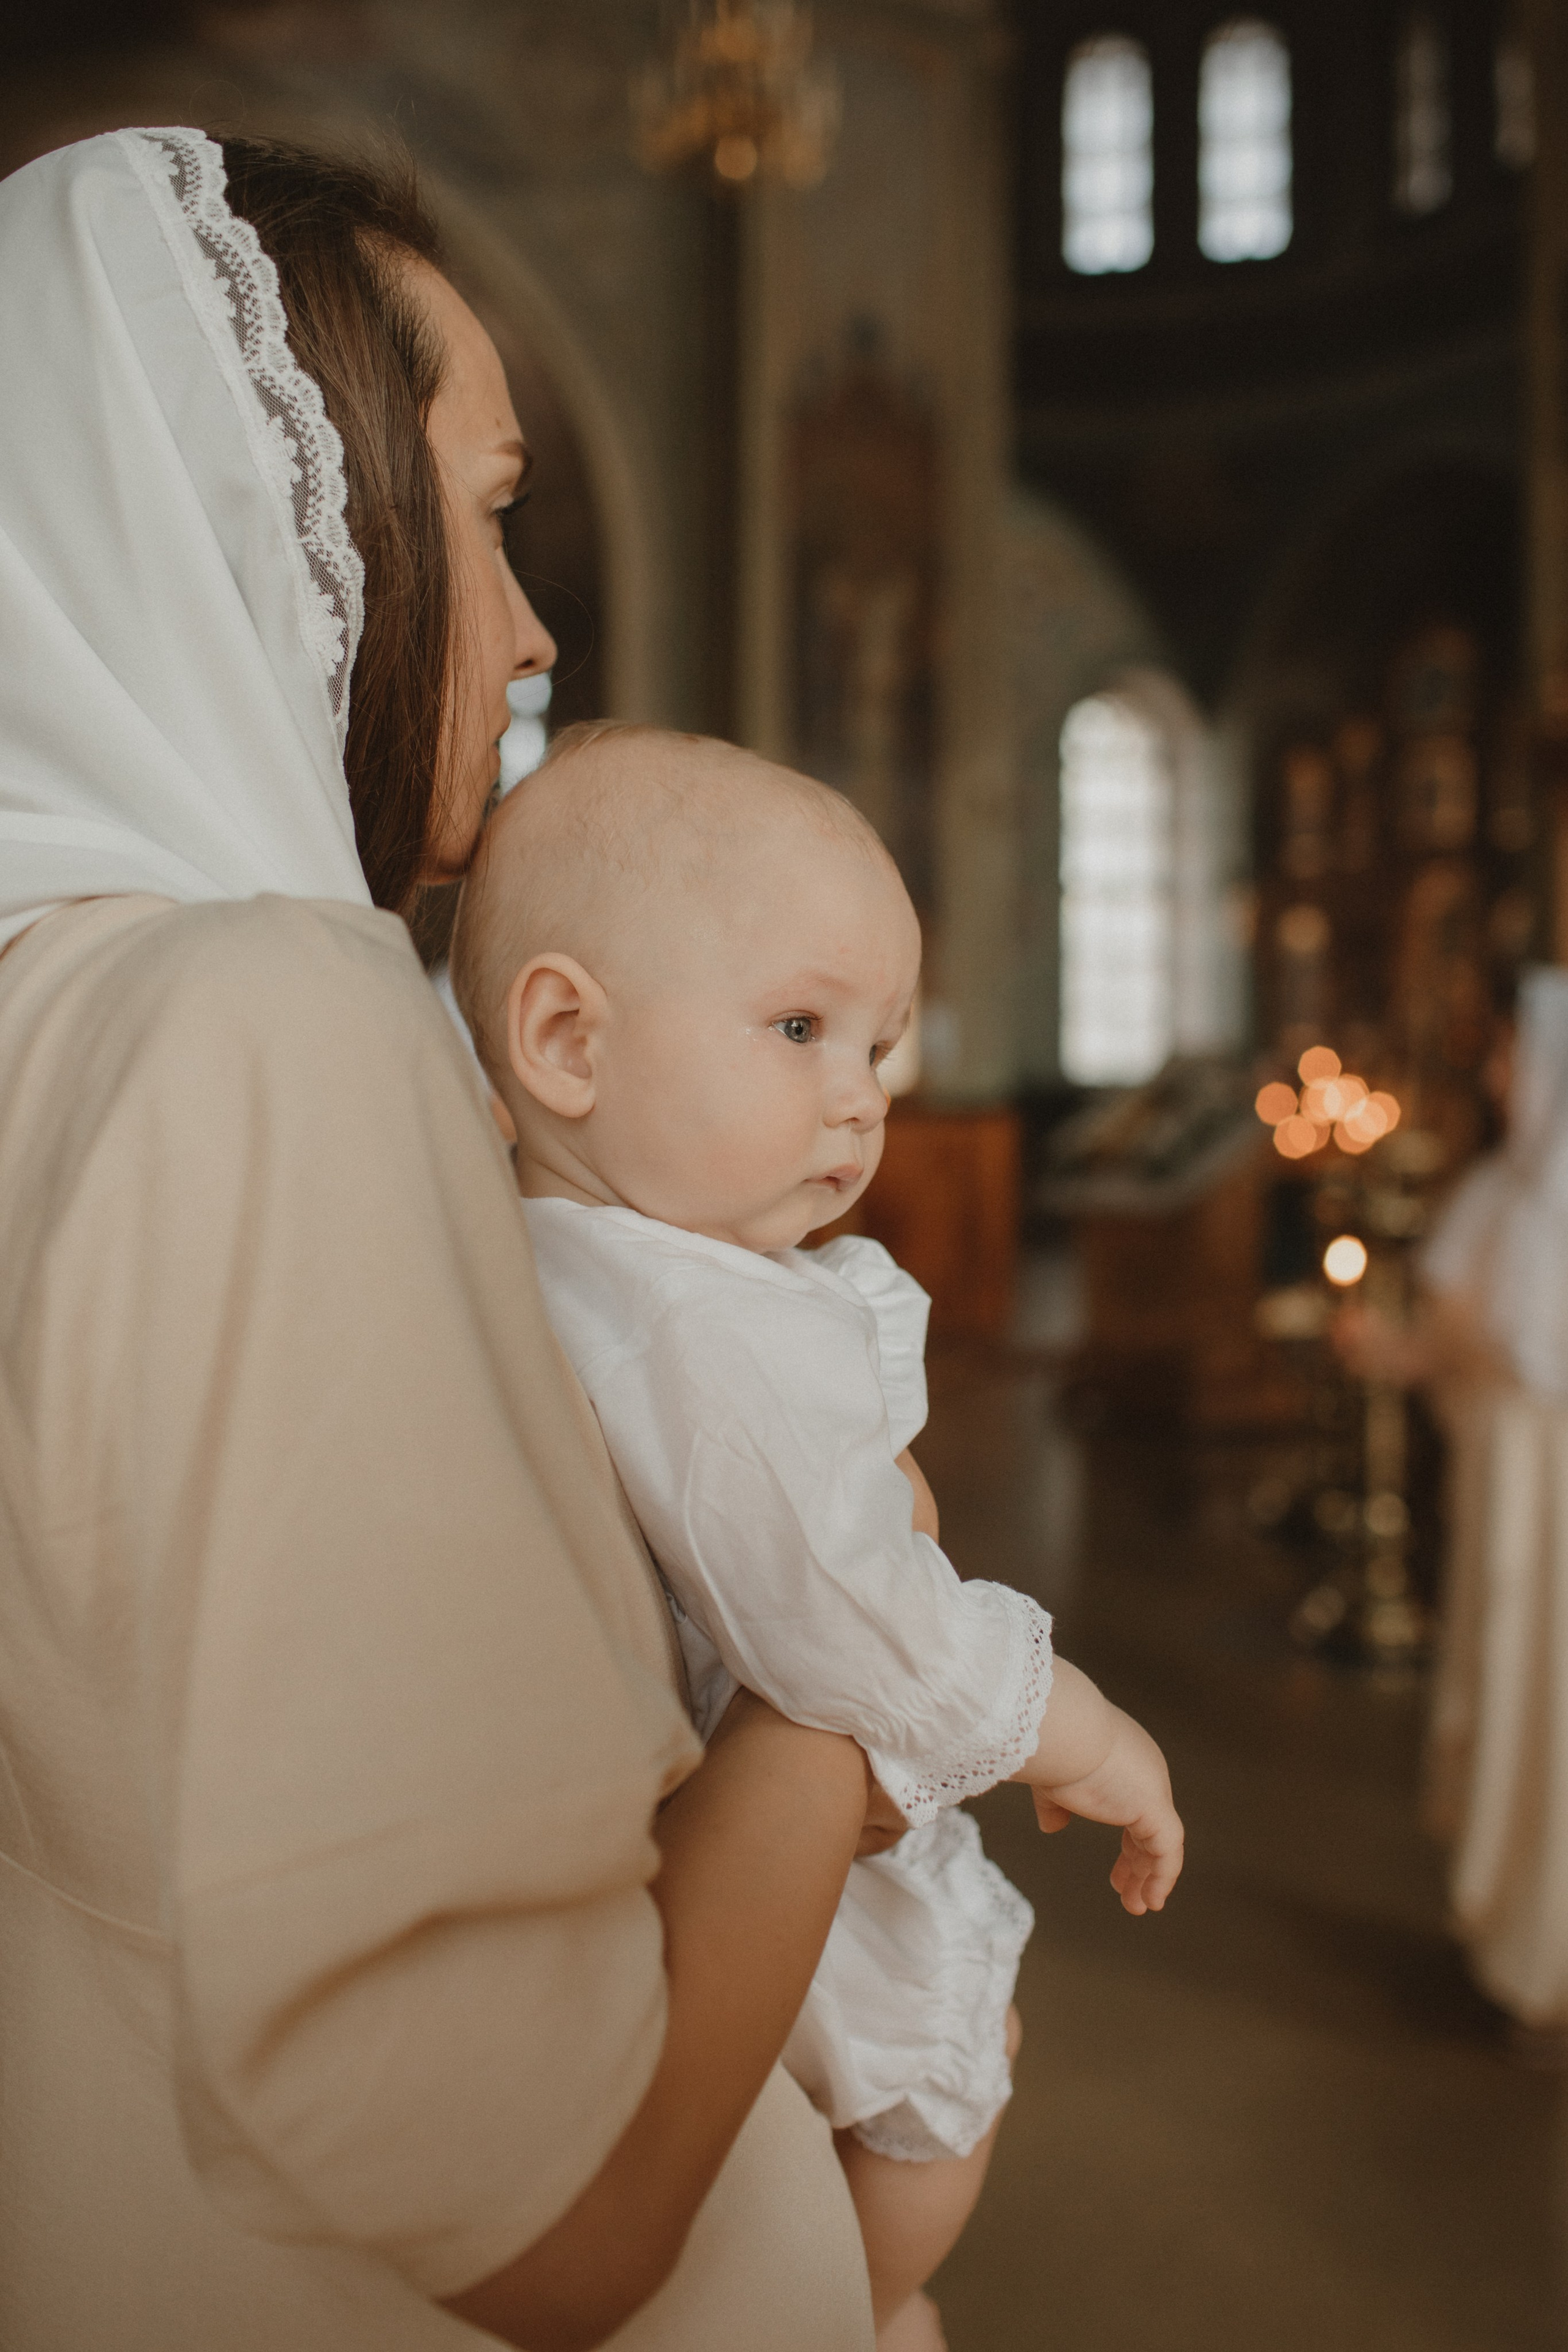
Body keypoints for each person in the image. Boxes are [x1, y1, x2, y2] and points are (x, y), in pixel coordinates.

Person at [0, 126, 899, 2351]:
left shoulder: (46, 1001)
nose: (532, 626)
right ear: (268, 529)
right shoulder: (259, 1017)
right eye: (488, 513)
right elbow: (552, 2197)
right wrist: (851, 1672)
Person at [448, 720, 1188, 2350]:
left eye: (880, 1044)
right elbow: (859, 1622)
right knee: (937, 2121)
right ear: (566, 1038)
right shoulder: (709, 1335)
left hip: (704, 1835)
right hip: (778, 1872)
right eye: (800, 1028)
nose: (860, 1102)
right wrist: (1084, 1729)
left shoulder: (585, 1251)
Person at [1336, 972, 1568, 2041]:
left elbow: (1525, 1350)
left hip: (1551, 1510)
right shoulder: (1508, 1192)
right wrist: (1397, 1353)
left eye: (1515, 1054)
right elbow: (1477, 1357)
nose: (1496, 1074)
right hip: (1506, 1497)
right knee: (1511, 1690)